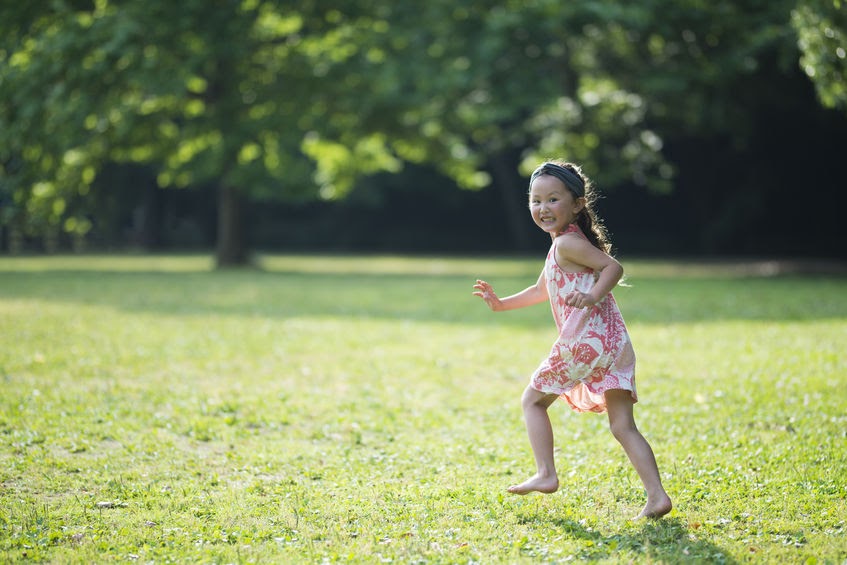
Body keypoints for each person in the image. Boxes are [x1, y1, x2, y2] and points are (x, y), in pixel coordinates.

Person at [473, 161, 672, 520]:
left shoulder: (566, 244)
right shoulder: (565, 245)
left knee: (532, 401)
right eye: (535, 201)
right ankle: (657, 496)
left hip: (585, 342)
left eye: (552, 199)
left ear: (577, 204)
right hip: (614, 345)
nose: (542, 208)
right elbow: (540, 289)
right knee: (622, 426)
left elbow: (614, 267)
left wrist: (594, 295)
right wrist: (501, 304)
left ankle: (546, 473)